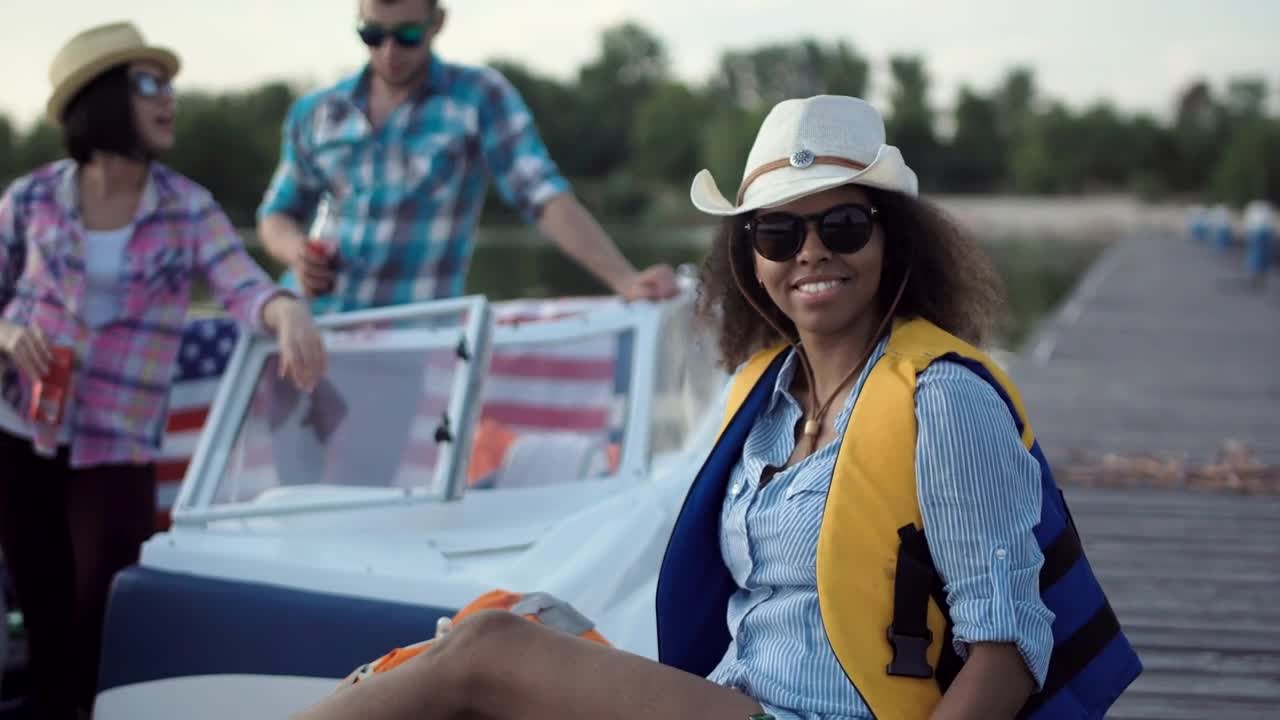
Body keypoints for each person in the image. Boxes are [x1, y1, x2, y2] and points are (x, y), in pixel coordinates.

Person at [290, 96, 1141, 720]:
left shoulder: (945, 401)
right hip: (735, 700)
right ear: (749, 256)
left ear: (892, 239)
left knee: (488, 654)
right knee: (503, 626)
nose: (811, 253)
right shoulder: (766, 396)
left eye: (843, 226)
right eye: (776, 233)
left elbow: (1008, 652)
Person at [0, 22, 327, 719]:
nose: (170, 97)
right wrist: (8, 331)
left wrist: (287, 313)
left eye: (170, 83)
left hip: (119, 442)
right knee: (42, 612)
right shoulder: (29, 199)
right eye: (150, 83)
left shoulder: (186, 206)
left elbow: (241, 285)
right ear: (100, 98)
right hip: (21, 431)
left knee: (99, 614)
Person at [256, 0, 679, 312]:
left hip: (414, 336)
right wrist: (296, 250)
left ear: (436, 22)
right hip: (310, 326)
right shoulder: (316, 111)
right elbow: (276, 215)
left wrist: (624, 279)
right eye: (373, 34)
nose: (389, 51)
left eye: (406, 35)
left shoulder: (479, 97)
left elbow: (543, 195)